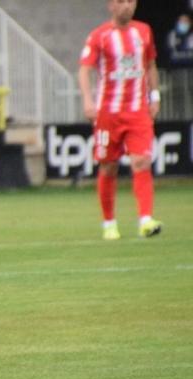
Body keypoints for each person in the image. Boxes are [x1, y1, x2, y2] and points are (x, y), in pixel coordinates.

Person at [78, 0, 162, 241]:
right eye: (121, 1)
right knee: (108, 166)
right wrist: (87, 100)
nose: (127, 6)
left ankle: (145, 220)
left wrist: (154, 96)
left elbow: (150, 64)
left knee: (142, 161)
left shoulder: (144, 31)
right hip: (108, 113)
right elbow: (84, 69)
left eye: (131, 1)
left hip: (138, 111)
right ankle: (109, 223)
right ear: (111, 5)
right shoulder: (99, 36)